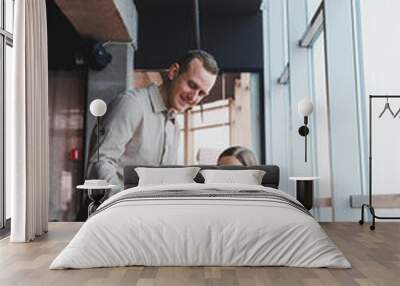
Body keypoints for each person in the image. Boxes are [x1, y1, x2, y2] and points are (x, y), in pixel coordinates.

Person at [87, 50, 219, 189]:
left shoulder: (174, 126)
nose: (194, 98)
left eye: (202, 94)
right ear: (174, 72)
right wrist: (126, 206)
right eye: (192, 85)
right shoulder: (131, 105)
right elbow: (100, 163)